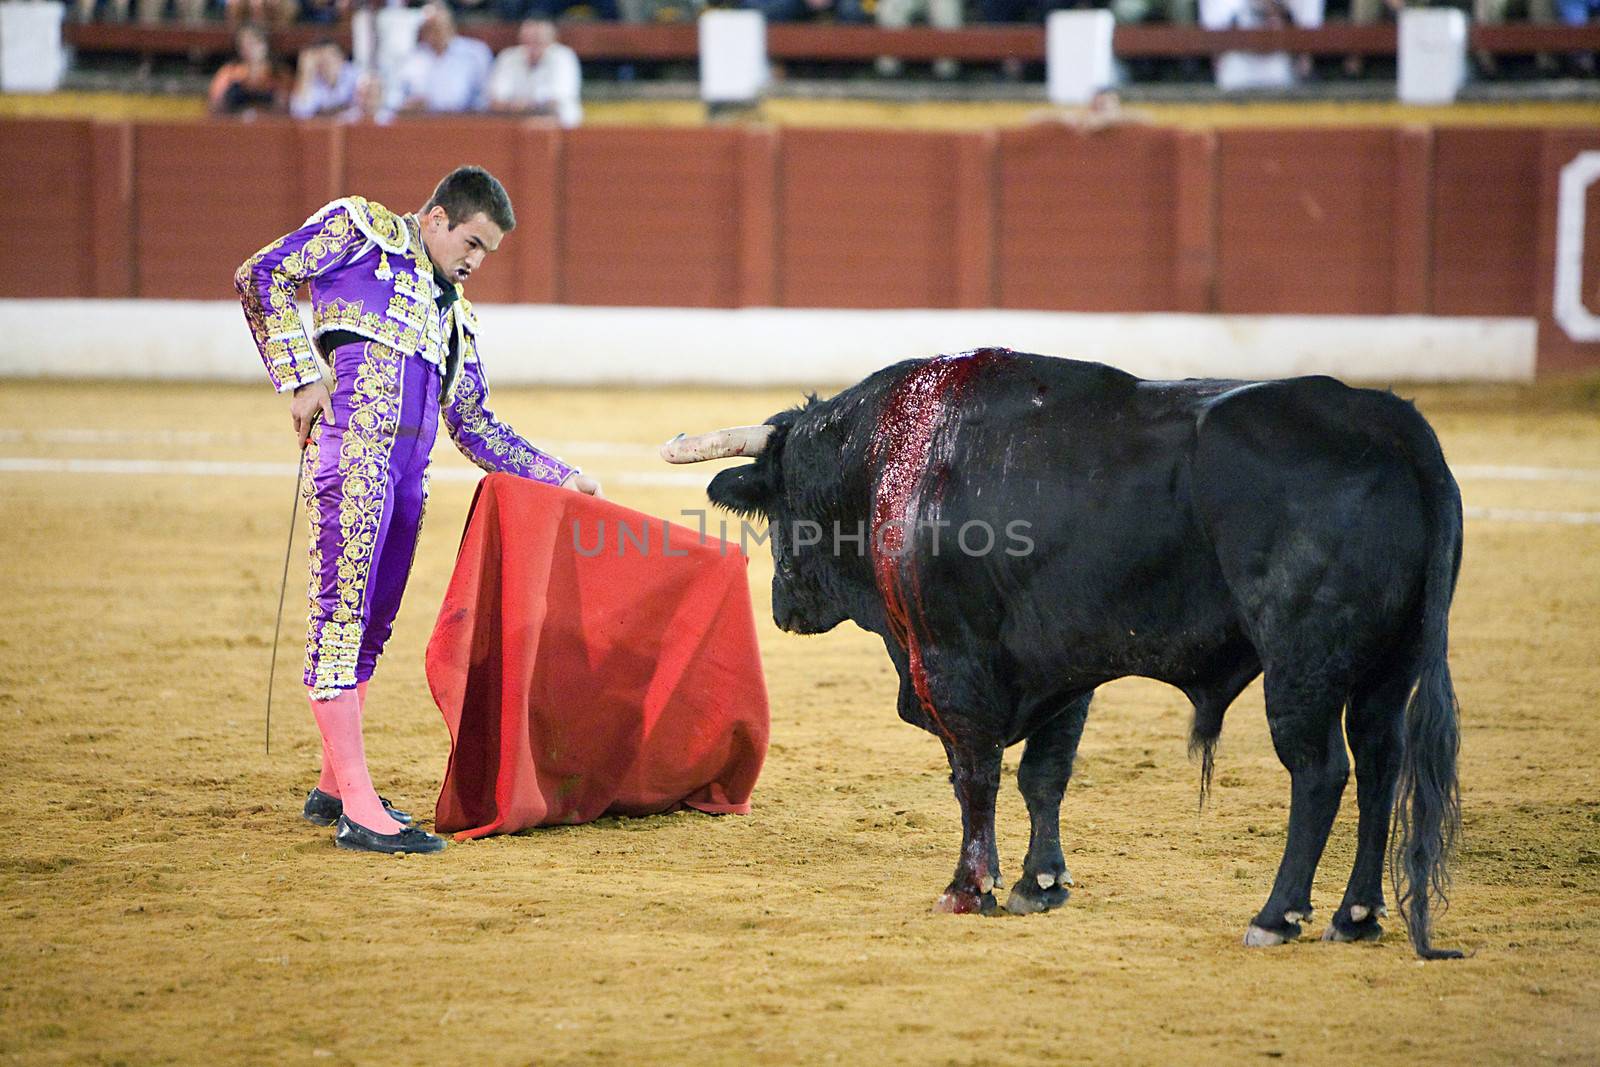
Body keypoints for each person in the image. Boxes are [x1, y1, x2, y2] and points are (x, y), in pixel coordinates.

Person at [235, 167, 602, 855]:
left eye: (487, 252)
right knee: (341, 622)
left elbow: (475, 424)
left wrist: (561, 476)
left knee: (370, 629)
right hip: (353, 462)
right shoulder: (360, 232)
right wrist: (300, 376)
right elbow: (261, 275)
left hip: (407, 483)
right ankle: (359, 809)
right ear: (435, 217)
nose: (476, 261)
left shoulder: (454, 316)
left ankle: (332, 786)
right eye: (472, 242)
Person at [392, 3, 493, 113]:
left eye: (438, 26)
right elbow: (396, 98)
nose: (434, 33)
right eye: (429, 28)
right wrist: (408, 104)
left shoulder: (475, 53)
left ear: (451, 26)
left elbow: (484, 98)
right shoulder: (412, 58)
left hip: (464, 122)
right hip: (421, 122)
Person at [488, 18, 583, 127]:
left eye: (538, 41)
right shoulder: (508, 57)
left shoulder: (563, 56)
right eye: (527, 41)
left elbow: (556, 101)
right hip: (513, 123)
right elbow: (496, 100)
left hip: (558, 126)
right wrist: (526, 106)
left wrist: (521, 105)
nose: (532, 46)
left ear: (552, 40)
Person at [209, 23, 290, 115]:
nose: (248, 48)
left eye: (253, 43)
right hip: (234, 124)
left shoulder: (279, 74)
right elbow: (215, 104)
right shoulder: (228, 73)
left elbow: (287, 108)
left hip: (270, 125)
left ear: (265, 44)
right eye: (243, 44)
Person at [289, 38, 359, 119]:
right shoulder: (314, 80)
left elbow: (361, 111)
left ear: (341, 58)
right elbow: (299, 113)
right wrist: (305, 73)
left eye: (331, 57)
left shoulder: (355, 74)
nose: (327, 63)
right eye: (322, 60)